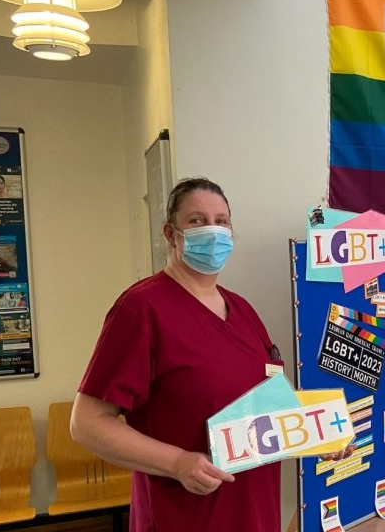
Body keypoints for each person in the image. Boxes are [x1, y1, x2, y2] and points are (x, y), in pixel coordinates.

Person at [71, 178, 351, 532]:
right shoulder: (141, 309)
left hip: (254, 514)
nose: (213, 231)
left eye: (221, 221)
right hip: (185, 517)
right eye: (197, 221)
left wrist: (315, 435)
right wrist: (177, 462)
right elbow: (87, 424)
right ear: (170, 234)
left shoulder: (243, 310)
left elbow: (269, 398)